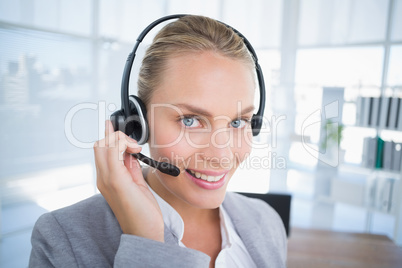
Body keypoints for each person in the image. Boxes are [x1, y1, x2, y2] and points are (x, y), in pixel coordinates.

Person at [29, 15, 287, 267]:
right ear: (137, 122)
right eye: (190, 120)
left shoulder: (266, 220)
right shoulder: (62, 239)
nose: (221, 156)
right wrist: (147, 244)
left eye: (238, 121)